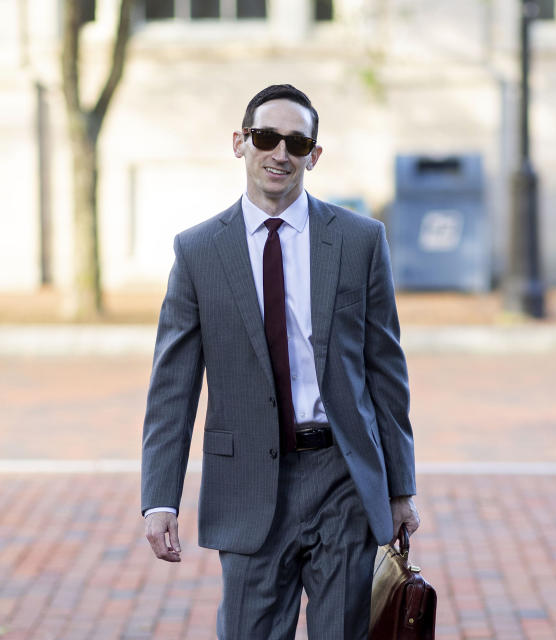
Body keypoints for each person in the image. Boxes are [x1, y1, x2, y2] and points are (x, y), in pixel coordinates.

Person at [140, 84, 419, 639]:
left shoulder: (360, 241)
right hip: (246, 483)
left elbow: (386, 369)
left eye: (297, 142)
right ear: (240, 143)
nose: (280, 153)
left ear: (314, 155)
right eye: (267, 137)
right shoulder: (197, 252)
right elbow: (173, 387)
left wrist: (401, 486)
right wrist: (158, 498)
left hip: (341, 475)